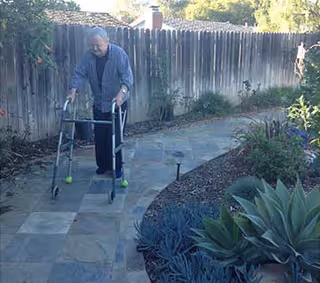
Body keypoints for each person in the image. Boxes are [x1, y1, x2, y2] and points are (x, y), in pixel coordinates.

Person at [67, 26, 133, 177]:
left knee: (114, 137)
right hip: (99, 103)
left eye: (98, 45)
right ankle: (102, 165)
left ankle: (116, 167)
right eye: (92, 46)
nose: (95, 49)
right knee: (100, 136)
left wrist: (121, 95)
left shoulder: (118, 54)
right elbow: (80, 73)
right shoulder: (88, 56)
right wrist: (73, 90)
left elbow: (127, 78)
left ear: (107, 41)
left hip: (117, 103)